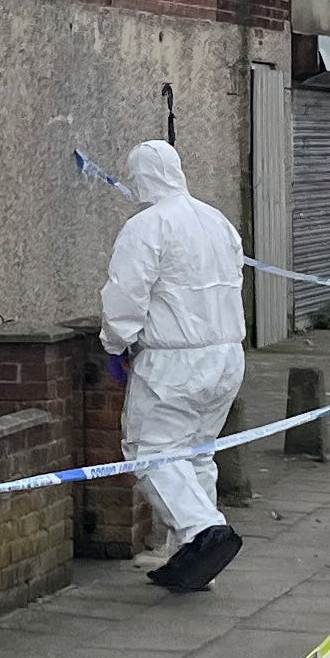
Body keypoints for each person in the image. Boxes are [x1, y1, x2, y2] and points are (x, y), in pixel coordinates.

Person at [101, 138, 250, 593]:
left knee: (151, 451)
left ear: (140, 177)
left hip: (174, 359)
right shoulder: (216, 220)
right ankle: (191, 556)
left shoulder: (147, 226)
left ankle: (203, 531)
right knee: (197, 452)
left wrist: (114, 342)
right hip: (226, 355)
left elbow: (126, 293)